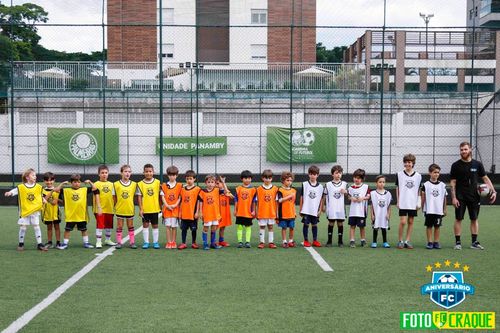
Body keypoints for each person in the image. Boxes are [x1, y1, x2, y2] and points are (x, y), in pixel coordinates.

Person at [450, 142, 497, 250]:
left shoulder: (477, 164)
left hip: (474, 196)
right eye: (461, 149)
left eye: (465, 149)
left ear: (470, 150)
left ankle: (474, 242)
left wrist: (493, 191)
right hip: (460, 196)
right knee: (458, 219)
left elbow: (485, 178)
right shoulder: (455, 165)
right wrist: (453, 197)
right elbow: (452, 182)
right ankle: (458, 243)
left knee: (474, 219)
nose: (463, 151)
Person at [4, 168, 48, 251]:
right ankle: (21, 244)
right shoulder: (21, 187)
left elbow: (40, 195)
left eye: (35, 175)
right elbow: (15, 191)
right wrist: (10, 193)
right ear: (27, 177)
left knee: (36, 226)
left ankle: (40, 244)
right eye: (33, 175)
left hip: (34, 210)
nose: (35, 177)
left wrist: (43, 199)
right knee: (23, 227)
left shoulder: (38, 187)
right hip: (24, 211)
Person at [53, 174, 100, 249]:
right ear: (71, 183)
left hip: (81, 215)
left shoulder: (84, 189)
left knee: (84, 230)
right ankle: (65, 244)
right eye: (74, 182)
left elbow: (95, 189)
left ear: (80, 182)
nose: (76, 183)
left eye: (78, 182)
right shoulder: (66, 190)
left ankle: (86, 243)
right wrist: (62, 184)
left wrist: (90, 182)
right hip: (70, 215)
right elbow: (56, 190)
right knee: (67, 230)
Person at [396, 154, 422, 249]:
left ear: (413, 163)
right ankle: (400, 240)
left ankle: (407, 240)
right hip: (403, 201)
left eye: (410, 162)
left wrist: (418, 201)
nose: (408, 164)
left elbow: (419, 189)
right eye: (406, 162)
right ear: (404, 163)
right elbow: (397, 188)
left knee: (410, 221)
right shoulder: (399, 174)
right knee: (403, 222)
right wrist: (398, 201)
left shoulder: (418, 176)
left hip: (412, 202)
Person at [137, 164, 165, 250]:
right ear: (143, 172)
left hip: (154, 208)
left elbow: (160, 196)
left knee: (155, 225)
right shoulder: (140, 184)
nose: (148, 173)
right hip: (145, 209)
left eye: (150, 171)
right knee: (145, 225)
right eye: (146, 171)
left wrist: (161, 206)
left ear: (153, 172)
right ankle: (146, 242)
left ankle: (155, 242)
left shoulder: (157, 183)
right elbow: (139, 197)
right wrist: (141, 209)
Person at [421, 164, 447, 250]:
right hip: (429, 210)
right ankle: (429, 242)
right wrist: (422, 208)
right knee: (429, 226)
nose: (436, 174)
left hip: (438, 210)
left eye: (438, 172)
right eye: (434, 172)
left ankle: (436, 242)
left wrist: (445, 209)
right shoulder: (426, 185)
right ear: (430, 173)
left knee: (437, 226)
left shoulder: (442, 185)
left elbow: (444, 197)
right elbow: (423, 198)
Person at [114, 164, 140, 249]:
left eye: (129, 171)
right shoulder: (116, 184)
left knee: (130, 226)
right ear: (121, 173)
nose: (127, 173)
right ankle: (119, 242)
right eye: (125, 171)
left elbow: (137, 196)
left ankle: (132, 242)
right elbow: (114, 197)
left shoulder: (134, 184)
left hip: (129, 209)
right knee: (119, 226)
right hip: (120, 209)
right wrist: (115, 205)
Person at [93, 165, 117, 249]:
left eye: (106, 173)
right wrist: (99, 207)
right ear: (98, 174)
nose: (104, 174)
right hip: (99, 209)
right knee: (100, 225)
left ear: (108, 174)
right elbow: (96, 195)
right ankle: (98, 241)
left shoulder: (112, 184)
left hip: (110, 208)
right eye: (102, 173)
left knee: (108, 225)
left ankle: (108, 240)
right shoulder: (96, 184)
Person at [323, 165, 348, 247]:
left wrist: (346, 192)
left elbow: (349, 194)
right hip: (331, 208)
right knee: (331, 223)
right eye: (336, 173)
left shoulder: (344, 184)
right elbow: (324, 195)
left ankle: (340, 242)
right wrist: (323, 205)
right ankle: (329, 241)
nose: (338, 175)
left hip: (340, 208)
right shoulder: (328, 184)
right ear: (332, 174)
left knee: (340, 223)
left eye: (340, 173)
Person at [196, 174, 223, 250]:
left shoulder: (217, 190)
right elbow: (200, 202)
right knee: (205, 229)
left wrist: (223, 182)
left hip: (215, 214)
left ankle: (213, 244)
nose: (210, 184)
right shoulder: (202, 192)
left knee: (214, 229)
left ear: (215, 183)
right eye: (208, 182)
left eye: (212, 182)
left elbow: (225, 191)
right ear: (205, 183)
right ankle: (205, 244)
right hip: (207, 214)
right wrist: (200, 212)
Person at [300, 165, 324, 247]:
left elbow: (321, 199)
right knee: (306, 224)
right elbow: (302, 197)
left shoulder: (321, 187)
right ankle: (306, 240)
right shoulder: (305, 184)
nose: (313, 176)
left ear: (318, 175)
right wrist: (301, 209)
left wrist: (320, 210)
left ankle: (315, 240)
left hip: (315, 210)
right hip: (306, 209)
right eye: (311, 174)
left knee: (314, 224)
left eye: (314, 174)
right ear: (308, 174)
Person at [256, 169, 279, 249]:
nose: (267, 179)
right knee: (262, 227)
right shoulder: (258, 189)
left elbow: (276, 202)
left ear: (272, 178)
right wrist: (256, 212)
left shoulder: (275, 189)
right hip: (262, 212)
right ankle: (262, 242)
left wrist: (277, 214)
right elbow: (256, 202)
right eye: (266, 178)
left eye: (269, 178)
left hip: (271, 212)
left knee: (270, 227)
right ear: (263, 178)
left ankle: (271, 242)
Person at [178, 170, 201, 250]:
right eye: (187, 179)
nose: (189, 180)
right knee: (183, 229)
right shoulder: (182, 189)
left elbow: (199, 201)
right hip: (184, 214)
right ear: (185, 179)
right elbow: (181, 201)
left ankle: (194, 242)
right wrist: (180, 212)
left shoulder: (197, 189)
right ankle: (183, 243)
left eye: (191, 179)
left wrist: (197, 212)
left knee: (193, 229)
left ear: (194, 179)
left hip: (193, 214)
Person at [347, 169, 370, 248]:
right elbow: (349, 196)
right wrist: (351, 198)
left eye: (359, 178)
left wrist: (362, 198)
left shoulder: (366, 187)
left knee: (362, 227)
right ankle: (352, 240)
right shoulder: (351, 187)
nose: (356, 179)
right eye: (355, 177)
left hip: (361, 212)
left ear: (362, 179)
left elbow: (368, 196)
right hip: (353, 211)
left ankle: (363, 240)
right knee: (352, 226)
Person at [234, 170, 257, 248]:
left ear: (251, 179)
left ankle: (247, 242)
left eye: (249, 178)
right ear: (242, 179)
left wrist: (253, 210)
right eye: (245, 178)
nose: (247, 180)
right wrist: (235, 210)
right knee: (239, 227)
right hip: (240, 212)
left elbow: (254, 201)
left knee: (248, 227)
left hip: (248, 212)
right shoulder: (238, 188)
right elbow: (236, 200)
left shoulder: (253, 189)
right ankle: (240, 241)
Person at [162, 165, 182, 249]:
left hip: (175, 209)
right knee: (168, 227)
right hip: (167, 209)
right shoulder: (164, 185)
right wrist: (167, 205)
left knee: (174, 227)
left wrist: (175, 205)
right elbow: (162, 196)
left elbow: (180, 197)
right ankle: (169, 242)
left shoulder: (180, 185)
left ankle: (173, 242)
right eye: (170, 175)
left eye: (173, 175)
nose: (172, 177)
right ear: (167, 175)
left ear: (177, 175)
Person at [370, 175, 391, 248]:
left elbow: (389, 206)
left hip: (384, 214)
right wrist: (372, 214)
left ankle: (385, 242)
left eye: (383, 182)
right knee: (375, 228)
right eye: (380, 182)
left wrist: (388, 214)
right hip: (376, 214)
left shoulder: (388, 193)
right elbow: (372, 205)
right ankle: (374, 242)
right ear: (376, 183)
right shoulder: (373, 193)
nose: (382, 183)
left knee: (383, 228)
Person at [277, 171, 296, 248]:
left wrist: (294, 212)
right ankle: (284, 241)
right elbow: (279, 200)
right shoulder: (280, 190)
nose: (289, 182)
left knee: (292, 227)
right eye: (287, 180)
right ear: (283, 180)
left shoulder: (293, 191)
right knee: (284, 228)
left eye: (291, 180)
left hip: (291, 213)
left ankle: (291, 241)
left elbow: (293, 203)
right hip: (283, 213)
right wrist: (288, 196)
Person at [42, 172, 61, 248]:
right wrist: (53, 192)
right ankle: (49, 242)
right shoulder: (42, 190)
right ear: (44, 181)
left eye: (51, 180)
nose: (49, 182)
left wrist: (58, 199)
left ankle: (58, 242)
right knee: (49, 227)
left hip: (56, 212)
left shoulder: (58, 190)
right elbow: (46, 199)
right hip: (47, 212)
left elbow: (57, 202)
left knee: (57, 227)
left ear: (54, 180)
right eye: (47, 180)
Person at [216, 175, 233, 247]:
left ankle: (221, 241)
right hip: (216, 213)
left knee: (222, 227)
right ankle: (213, 241)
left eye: (219, 183)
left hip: (224, 213)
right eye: (216, 183)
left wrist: (223, 183)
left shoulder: (226, 191)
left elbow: (232, 197)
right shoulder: (215, 192)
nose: (217, 185)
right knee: (215, 227)